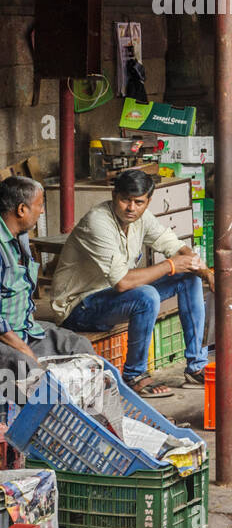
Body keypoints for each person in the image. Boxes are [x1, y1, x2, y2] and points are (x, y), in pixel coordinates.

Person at [49, 170, 211, 397]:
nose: (131, 208)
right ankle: (135, 375)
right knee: (146, 296)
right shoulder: (98, 222)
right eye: (125, 200)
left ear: (148, 201)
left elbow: (174, 245)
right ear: (114, 195)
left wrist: (206, 272)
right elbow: (123, 283)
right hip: (79, 307)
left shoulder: (141, 218)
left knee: (189, 276)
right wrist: (171, 265)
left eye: (138, 202)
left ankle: (196, 366)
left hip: (111, 298)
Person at [0, 177, 93, 380]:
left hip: (24, 329)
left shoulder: (21, 237)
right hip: (5, 339)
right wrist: (23, 348)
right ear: (21, 210)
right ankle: (50, 410)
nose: (41, 211)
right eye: (39, 205)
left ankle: (94, 410)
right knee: (28, 369)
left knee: (79, 347)